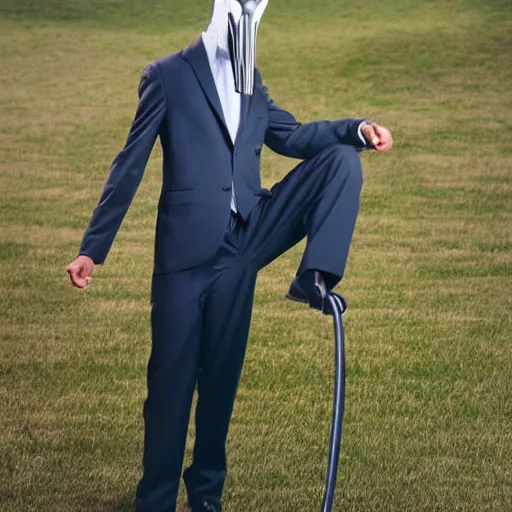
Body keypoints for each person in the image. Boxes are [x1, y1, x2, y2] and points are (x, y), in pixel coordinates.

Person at [66, 1, 393, 510]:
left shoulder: (252, 80)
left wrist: (357, 128)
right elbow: (130, 162)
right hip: (185, 257)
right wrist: (93, 249)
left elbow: (293, 136)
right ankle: (155, 501)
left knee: (220, 385)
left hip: (244, 246)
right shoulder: (168, 75)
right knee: (172, 388)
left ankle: (313, 279)